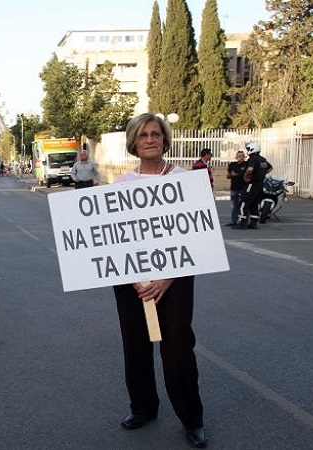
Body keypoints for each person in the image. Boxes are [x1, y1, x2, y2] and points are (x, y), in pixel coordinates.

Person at [112, 113, 208, 449]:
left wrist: (166, 277)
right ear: (134, 143)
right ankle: (143, 408)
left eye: (156, 134)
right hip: (131, 280)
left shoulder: (186, 180)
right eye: (143, 135)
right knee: (135, 344)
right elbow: (113, 240)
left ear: (165, 140)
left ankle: (192, 419)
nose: (150, 139)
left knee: (178, 348)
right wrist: (137, 278)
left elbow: (198, 235)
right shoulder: (121, 186)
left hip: (176, 278)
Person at [236, 142, 272, 229]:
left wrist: (246, 176)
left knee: (243, 202)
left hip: (251, 184)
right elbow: (270, 168)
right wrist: (261, 174)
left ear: (252, 149)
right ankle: (253, 223)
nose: (247, 150)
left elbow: (250, 169)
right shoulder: (263, 159)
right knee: (254, 204)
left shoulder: (253, 158)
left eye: (248, 149)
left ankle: (242, 222)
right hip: (260, 185)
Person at [226, 150, 248, 226]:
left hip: (244, 189)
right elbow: (227, 176)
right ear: (236, 157)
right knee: (235, 206)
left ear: (245, 157)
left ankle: (244, 221)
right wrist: (232, 175)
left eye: (242, 156)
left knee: (244, 205)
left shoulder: (247, 164)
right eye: (239, 156)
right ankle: (233, 221)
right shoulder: (232, 164)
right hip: (234, 189)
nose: (241, 157)